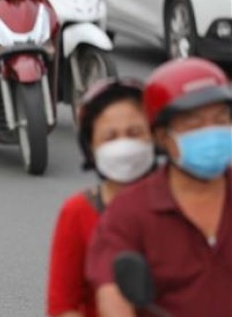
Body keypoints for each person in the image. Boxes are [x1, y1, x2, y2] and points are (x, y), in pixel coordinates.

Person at [85, 57, 232, 316]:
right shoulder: (129, 213)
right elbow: (113, 298)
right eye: (194, 123)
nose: (211, 131)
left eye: (221, 120)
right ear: (162, 137)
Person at [47, 78, 155, 317]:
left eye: (134, 133)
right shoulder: (78, 212)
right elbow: (63, 306)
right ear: (91, 149)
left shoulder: (178, 201)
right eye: (110, 137)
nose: (124, 145)